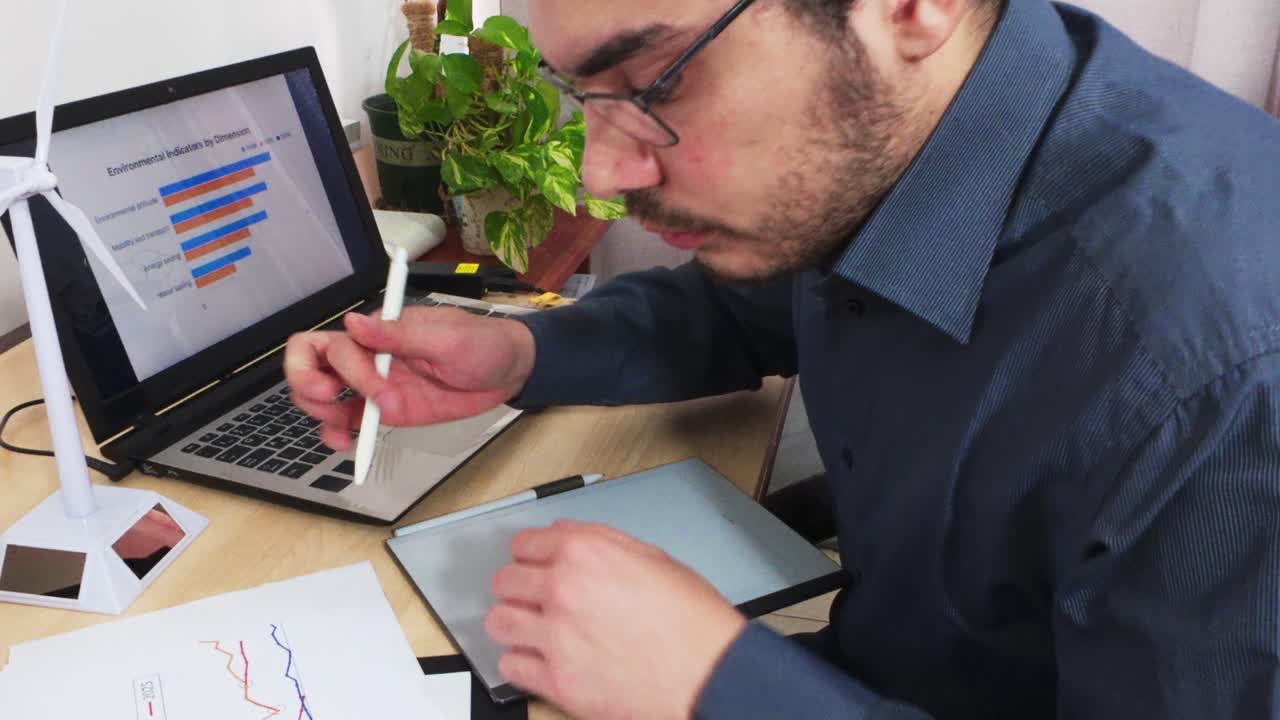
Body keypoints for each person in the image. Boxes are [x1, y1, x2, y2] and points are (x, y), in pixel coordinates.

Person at [285, 0, 1280, 716]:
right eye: (579, 92)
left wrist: (714, 683)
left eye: (654, 79)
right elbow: (749, 309)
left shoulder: (1219, 382)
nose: (600, 172)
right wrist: (517, 351)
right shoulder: (894, 141)